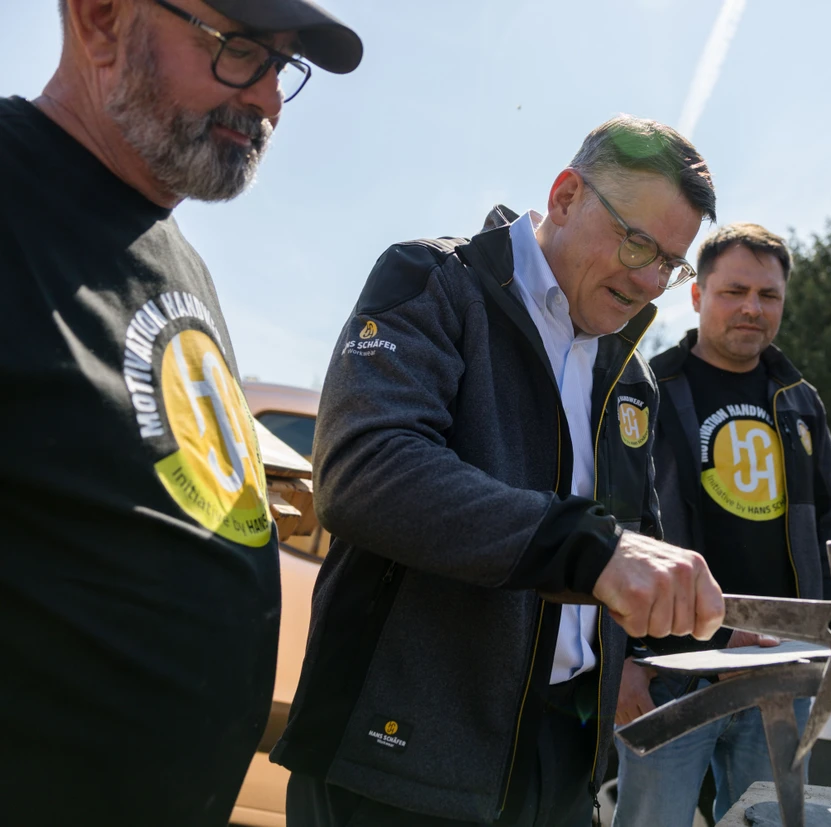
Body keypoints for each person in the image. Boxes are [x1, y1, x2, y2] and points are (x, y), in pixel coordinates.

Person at [270, 116, 727, 827]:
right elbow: (366, 471)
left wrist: (727, 631)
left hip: (562, 766)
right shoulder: (432, 280)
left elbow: (631, 544)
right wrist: (587, 547)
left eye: (671, 263)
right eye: (637, 242)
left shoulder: (628, 374)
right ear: (567, 195)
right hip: (402, 763)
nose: (649, 282)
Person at [0, 1, 361, 825]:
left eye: (283, 67)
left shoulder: (179, 262)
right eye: (240, 51)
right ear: (99, 18)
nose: (268, 100)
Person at [611, 223, 831, 826]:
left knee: (769, 822)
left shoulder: (801, 399)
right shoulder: (644, 389)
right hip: (669, 666)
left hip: (782, 661)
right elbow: (610, 528)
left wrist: (827, 634)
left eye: (768, 295)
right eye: (734, 291)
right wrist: (620, 659)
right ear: (697, 296)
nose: (752, 308)